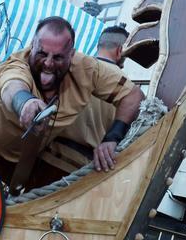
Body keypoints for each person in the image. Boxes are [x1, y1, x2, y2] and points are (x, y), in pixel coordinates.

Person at [0, 17, 145, 187]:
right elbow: (12, 86)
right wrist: (25, 103)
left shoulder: (88, 69)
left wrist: (112, 138)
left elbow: (133, 96)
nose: (48, 63)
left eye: (58, 57)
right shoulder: (18, 64)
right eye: (42, 54)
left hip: (23, 156)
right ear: (32, 47)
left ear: (71, 55)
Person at [48, 25, 132, 172]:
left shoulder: (72, 66)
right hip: (84, 169)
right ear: (120, 50)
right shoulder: (128, 88)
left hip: (46, 156)